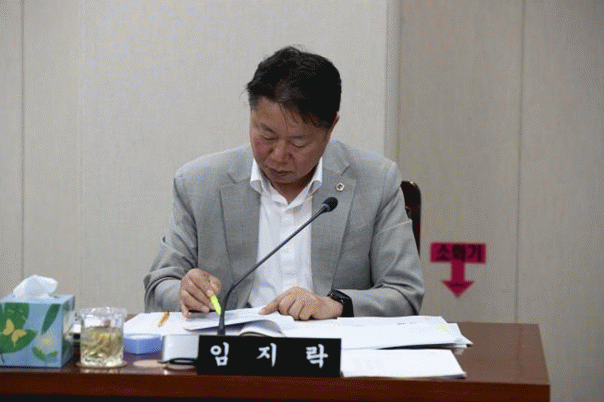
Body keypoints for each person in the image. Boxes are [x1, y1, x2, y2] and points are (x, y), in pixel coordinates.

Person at [144, 46, 423, 320]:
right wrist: (184, 292)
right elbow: (159, 287)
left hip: (333, 346)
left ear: (330, 128)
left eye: (298, 142)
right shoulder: (198, 184)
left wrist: (334, 304)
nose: (278, 156)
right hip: (236, 346)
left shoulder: (375, 182)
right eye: (266, 136)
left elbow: (404, 293)